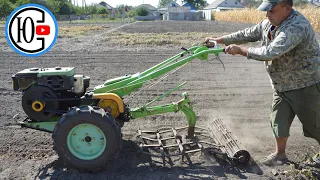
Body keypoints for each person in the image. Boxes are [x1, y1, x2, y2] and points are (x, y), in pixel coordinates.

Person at [204, 0, 320, 166]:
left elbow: (270, 52)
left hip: (304, 84)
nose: (267, 15)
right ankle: (280, 155)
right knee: (278, 120)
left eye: (271, 11)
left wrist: (241, 50)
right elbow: (248, 33)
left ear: (287, 9)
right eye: (266, 11)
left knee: (315, 123)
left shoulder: (296, 26)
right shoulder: (270, 23)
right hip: (281, 84)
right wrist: (220, 40)